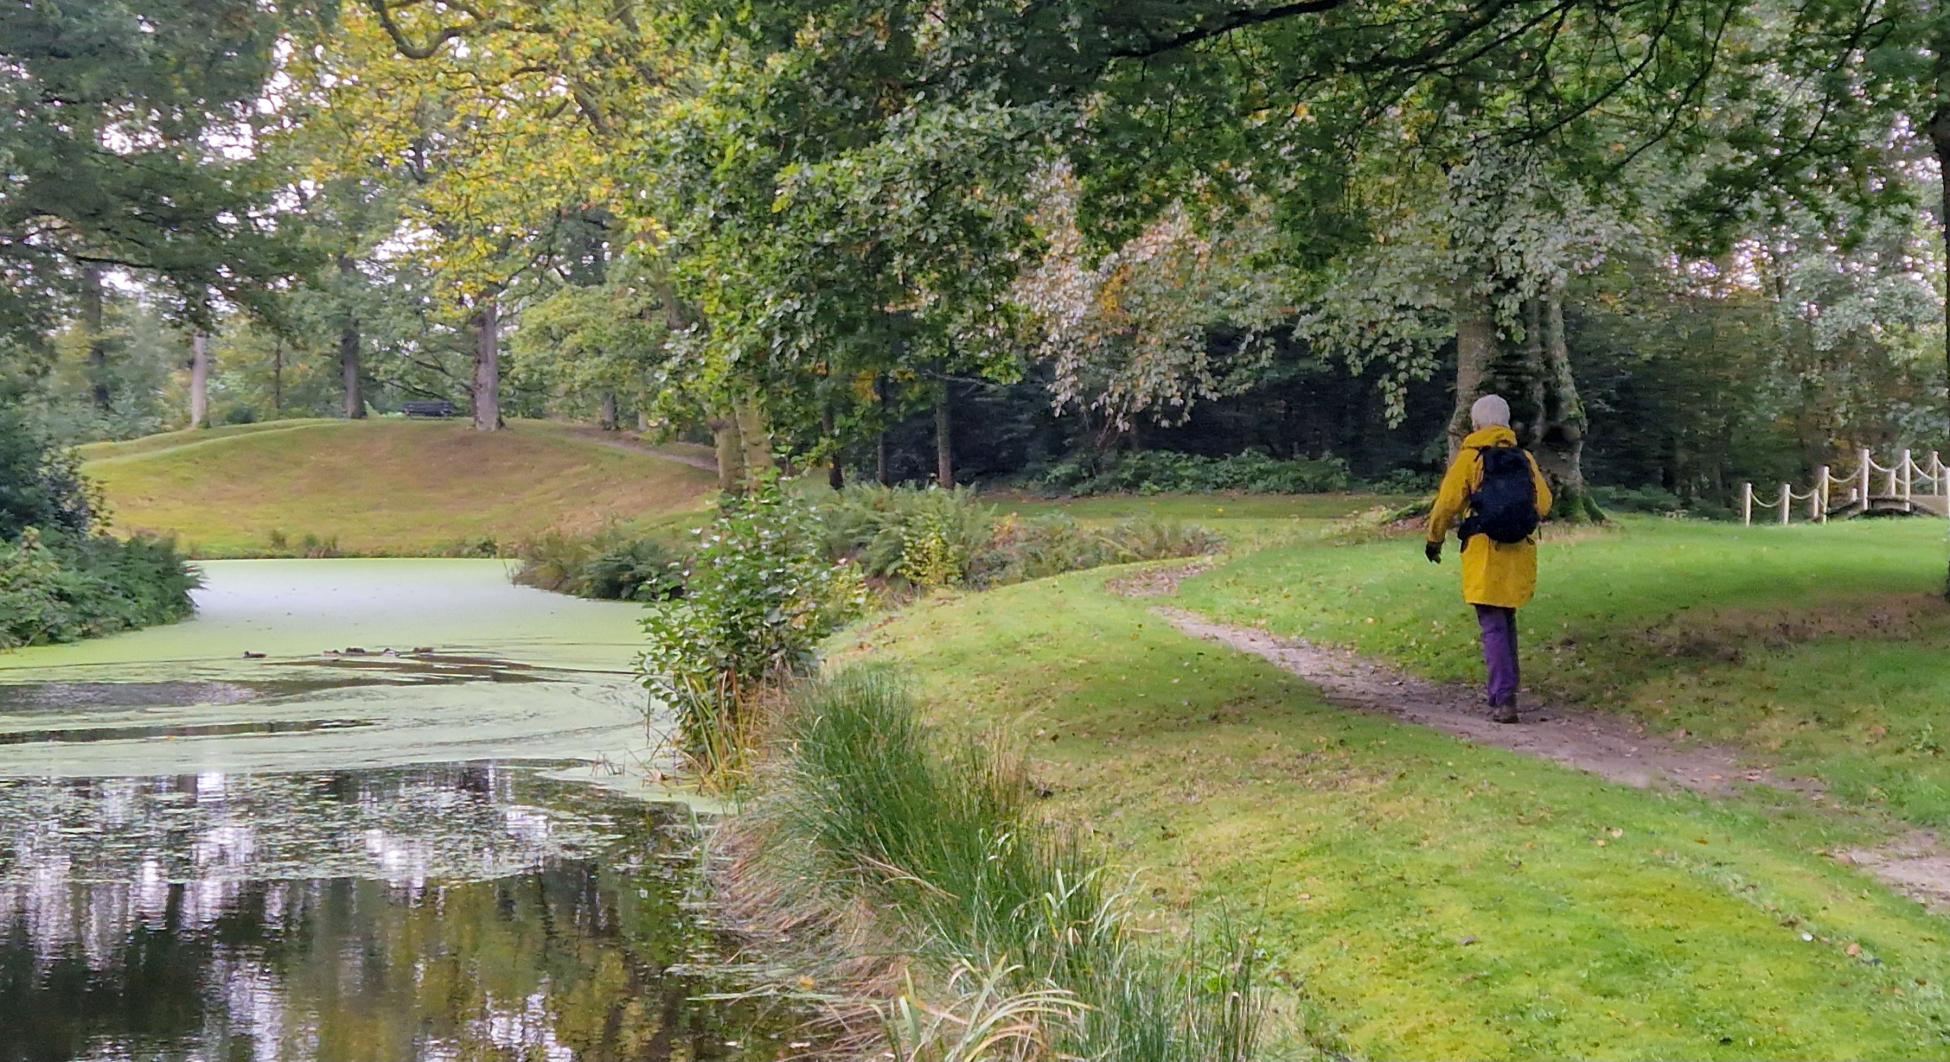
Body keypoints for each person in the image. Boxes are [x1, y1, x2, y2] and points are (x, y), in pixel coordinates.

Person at [1424, 394, 1553, 723]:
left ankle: (1503, 697)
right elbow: (1544, 503)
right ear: (1507, 423)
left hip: (1484, 551)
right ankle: (1508, 691)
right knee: (1506, 620)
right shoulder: (1523, 457)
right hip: (1518, 550)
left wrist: (1434, 539)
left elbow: (1447, 504)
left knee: (1492, 624)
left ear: (1476, 423)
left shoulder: (1471, 459)